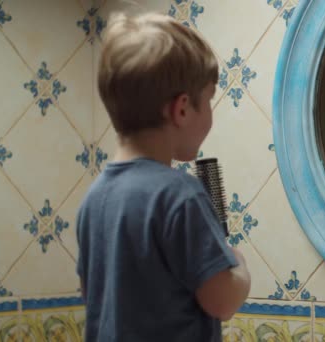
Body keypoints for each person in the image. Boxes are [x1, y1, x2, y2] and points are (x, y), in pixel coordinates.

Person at [75, 12, 250, 341]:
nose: (211, 112)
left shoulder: (94, 199)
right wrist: (238, 266)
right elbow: (222, 302)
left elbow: (91, 293)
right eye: (209, 99)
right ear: (182, 109)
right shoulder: (180, 195)